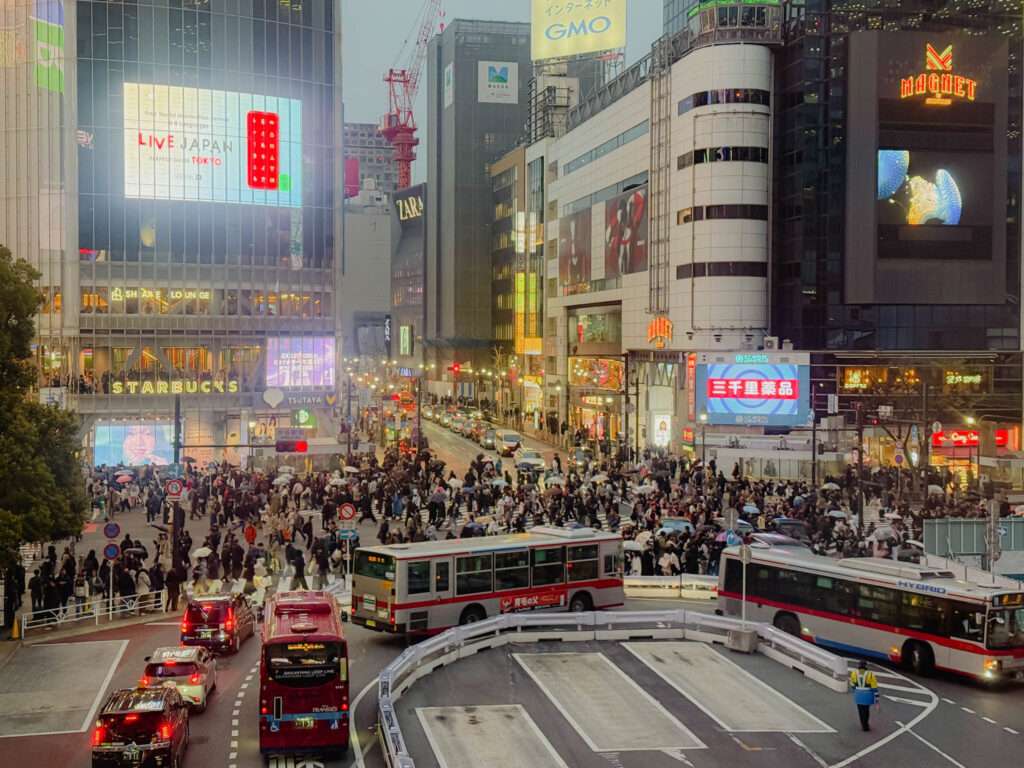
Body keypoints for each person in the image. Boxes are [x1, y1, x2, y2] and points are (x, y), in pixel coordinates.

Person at [849, 660, 879, 731]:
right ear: (866, 666)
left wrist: (857, 688)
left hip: (858, 694)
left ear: (859, 665)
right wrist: (877, 699)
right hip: (867, 694)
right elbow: (874, 688)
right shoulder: (870, 674)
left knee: (860, 710)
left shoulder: (854, 673)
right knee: (866, 710)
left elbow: (852, 685)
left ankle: (863, 724)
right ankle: (865, 725)